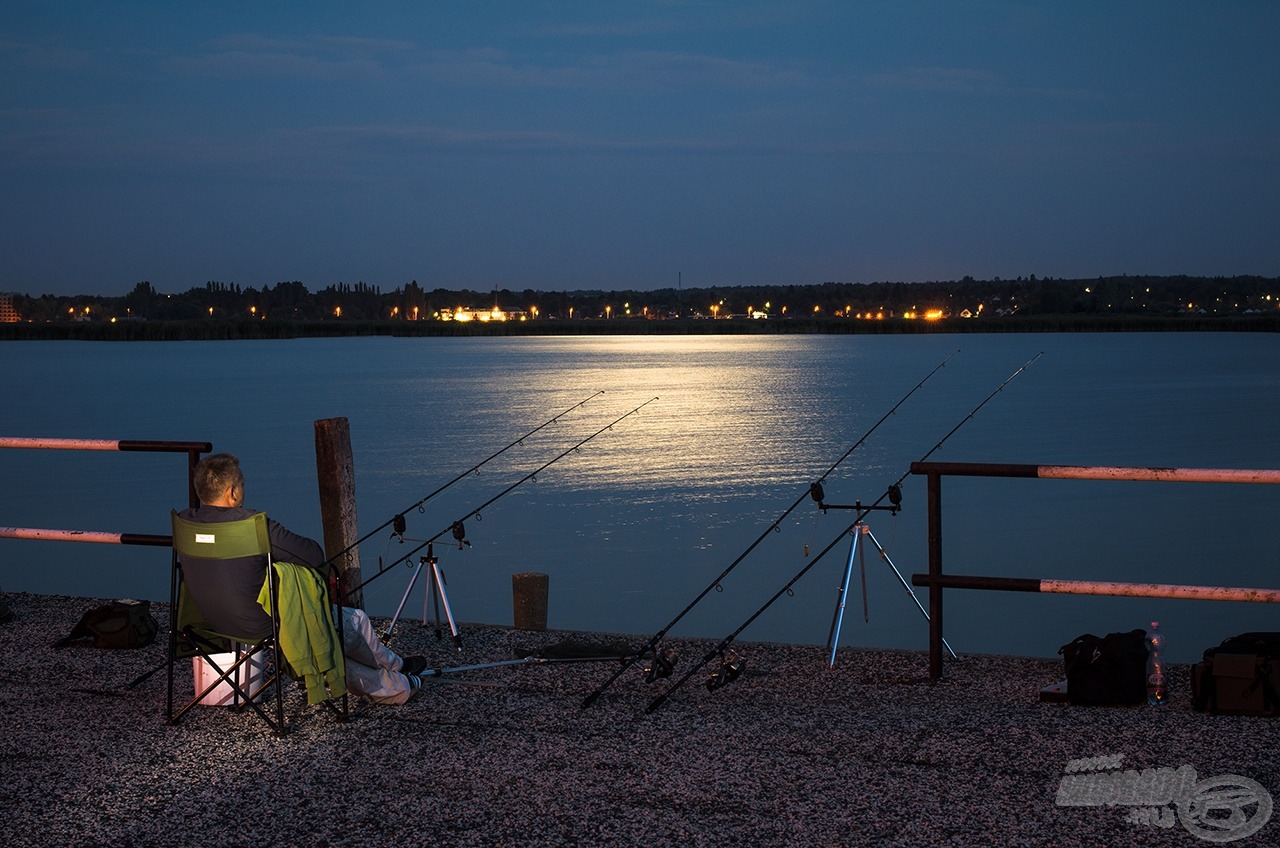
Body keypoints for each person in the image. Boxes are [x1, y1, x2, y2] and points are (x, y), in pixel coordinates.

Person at [177, 453, 428, 705]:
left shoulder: (185, 523)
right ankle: (399, 679)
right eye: (241, 485)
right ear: (232, 492)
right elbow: (312, 555)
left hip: (206, 623)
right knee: (348, 623)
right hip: (262, 626)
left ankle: (397, 673)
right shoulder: (252, 526)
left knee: (337, 630)